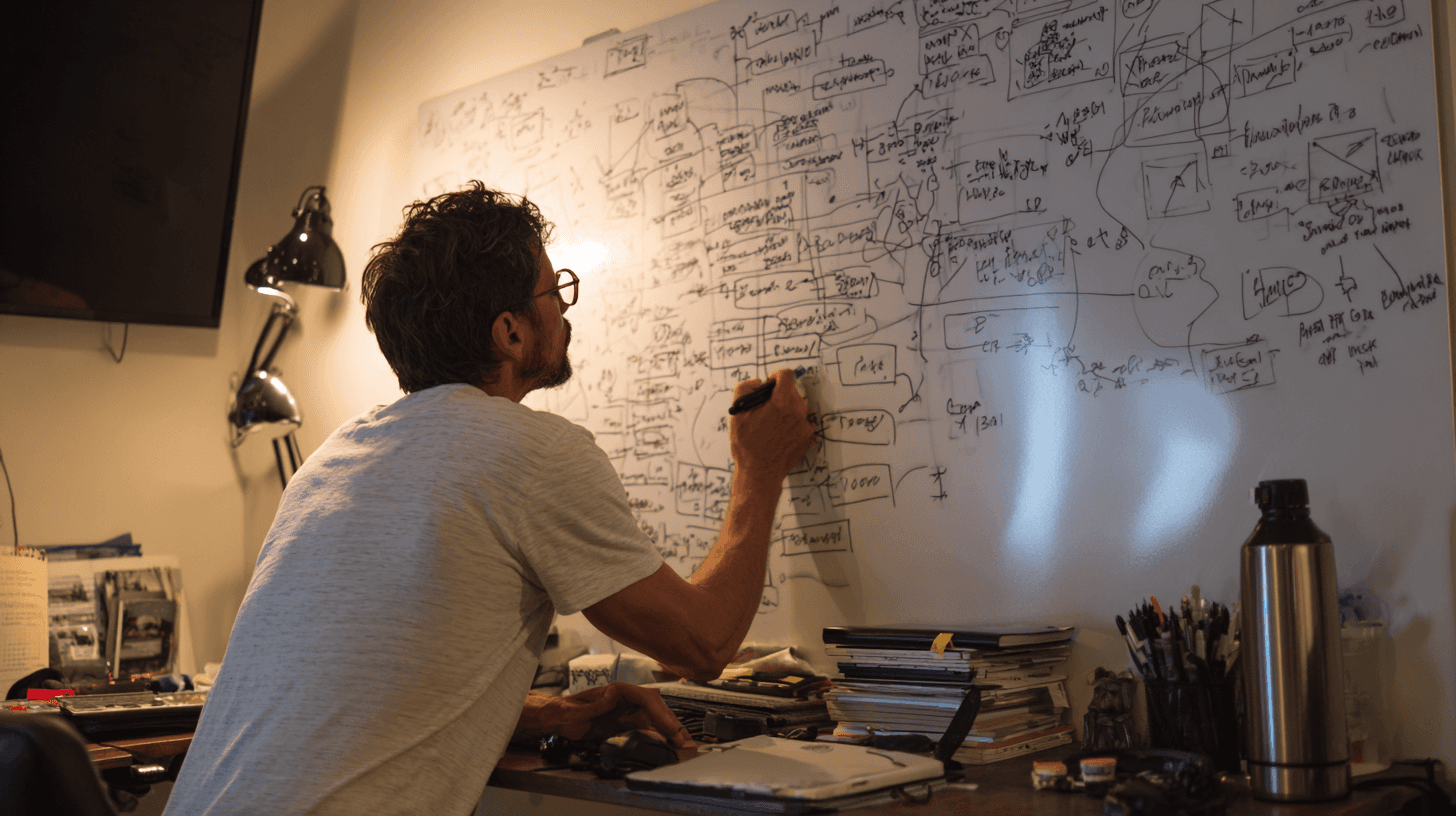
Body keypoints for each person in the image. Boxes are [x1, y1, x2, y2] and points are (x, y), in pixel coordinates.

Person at [162, 183, 816, 816]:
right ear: (510, 332)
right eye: (554, 289)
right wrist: (758, 470)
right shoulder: (529, 451)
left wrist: (533, 715)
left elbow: (343, 689)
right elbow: (699, 648)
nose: (564, 306)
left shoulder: (332, 459)